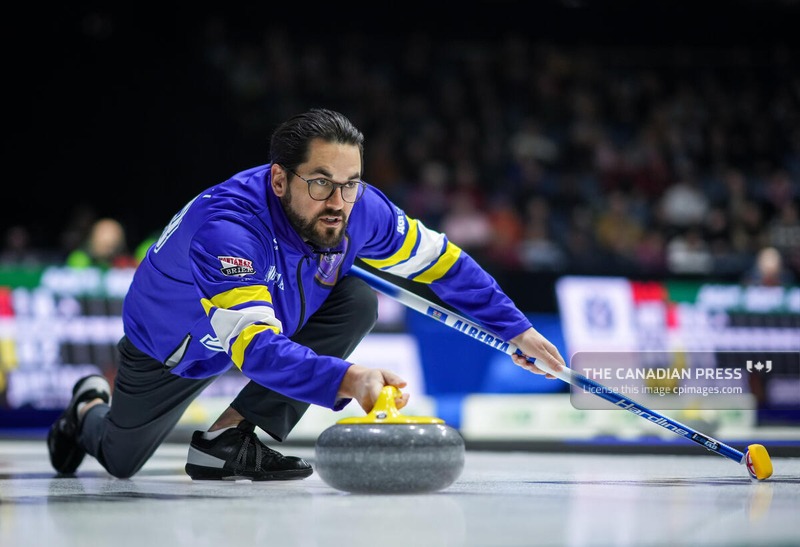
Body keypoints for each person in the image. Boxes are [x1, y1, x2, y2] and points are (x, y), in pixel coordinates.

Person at [47, 108, 567, 481]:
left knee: (358, 298)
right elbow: (252, 348)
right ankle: (87, 405)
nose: (338, 202)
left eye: (350, 183)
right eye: (320, 183)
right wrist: (348, 377)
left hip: (278, 306)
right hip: (176, 343)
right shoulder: (228, 231)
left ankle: (227, 442)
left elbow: (443, 264)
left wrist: (515, 328)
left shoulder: (360, 208)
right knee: (119, 460)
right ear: (279, 179)